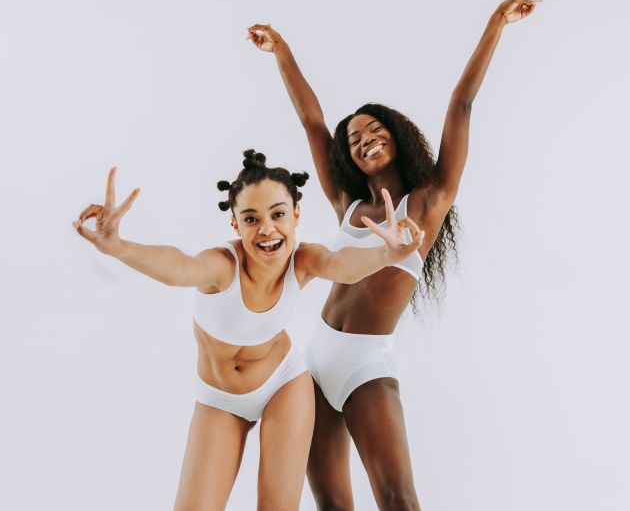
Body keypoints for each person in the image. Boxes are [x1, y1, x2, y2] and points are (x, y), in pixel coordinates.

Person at [247, 0, 542, 510]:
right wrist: (281, 52)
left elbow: (463, 103)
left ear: (397, 134)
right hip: (313, 361)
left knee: (398, 499)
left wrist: (497, 25)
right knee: (333, 506)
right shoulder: (347, 206)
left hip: (365, 364)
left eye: (373, 128)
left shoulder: (429, 204)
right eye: (354, 140)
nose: (363, 140)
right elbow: (313, 123)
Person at [73, 149, 424, 511]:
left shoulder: (302, 261)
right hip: (220, 398)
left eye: (278, 215)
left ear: (296, 215)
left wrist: (387, 255)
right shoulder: (222, 266)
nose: (267, 229)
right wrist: (118, 247)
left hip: (284, 386)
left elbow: (341, 265)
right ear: (235, 225)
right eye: (252, 219)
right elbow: (178, 266)